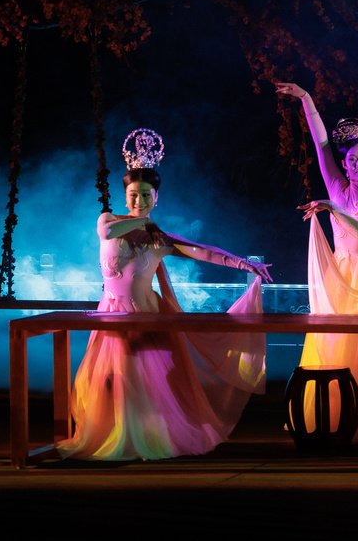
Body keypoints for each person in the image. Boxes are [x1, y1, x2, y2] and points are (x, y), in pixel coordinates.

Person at [59, 129, 272, 461]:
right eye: (133, 195)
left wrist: (244, 264)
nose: (139, 201)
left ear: (156, 197)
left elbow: (204, 252)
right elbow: (107, 232)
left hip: (145, 315)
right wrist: (143, 224)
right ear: (125, 196)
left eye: (146, 195)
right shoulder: (109, 221)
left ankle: (145, 439)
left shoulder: (160, 239)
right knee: (104, 379)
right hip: (111, 314)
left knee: (141, 382)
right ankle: (115, 435)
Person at [276, 82, 358, 444]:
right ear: (345, 164)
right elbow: (321, 145)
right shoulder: (337, 188)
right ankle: (334, 416)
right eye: (352, 159)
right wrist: (306, 98)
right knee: (338, 347)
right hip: (342, 278)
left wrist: (332, 208)